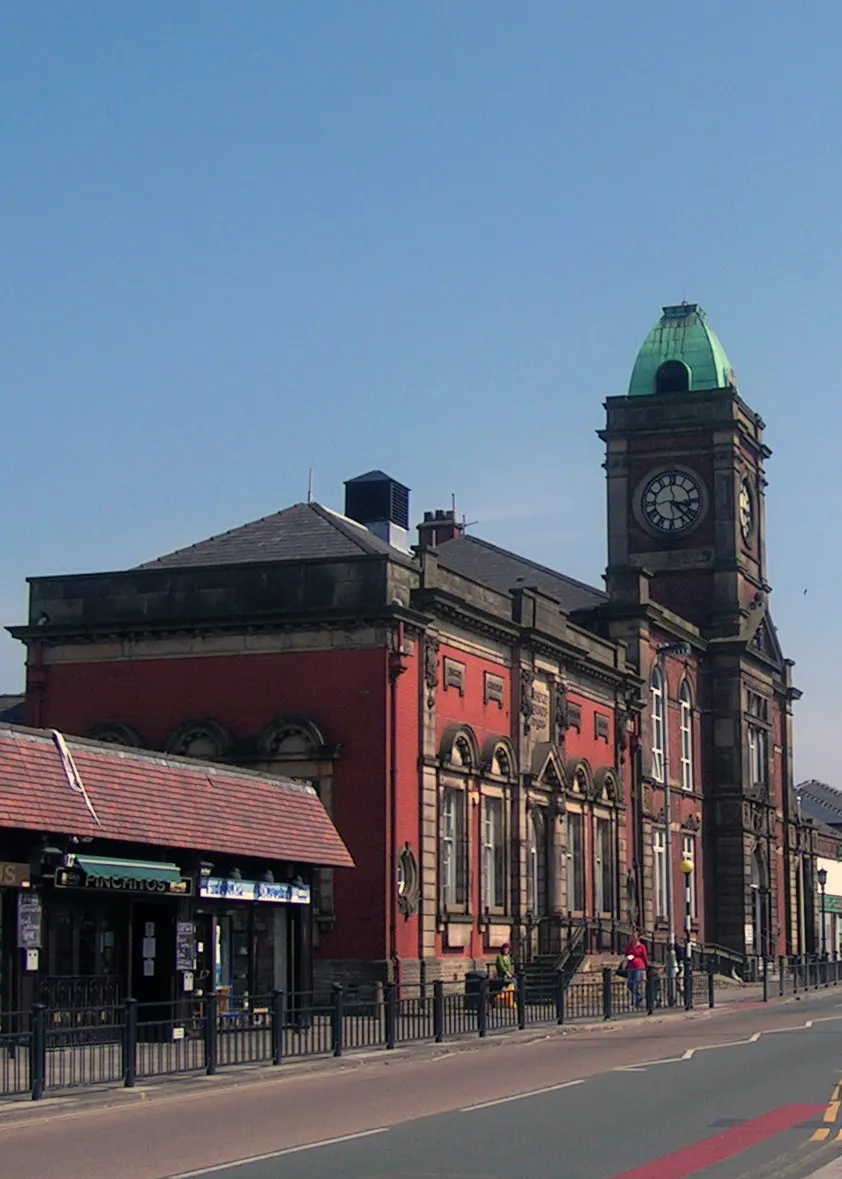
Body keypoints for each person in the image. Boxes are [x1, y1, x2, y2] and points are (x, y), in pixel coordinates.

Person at [624, 933, 649, 1009]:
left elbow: (644, 956)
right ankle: (640, 997)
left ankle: (633, 1003)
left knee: (636, 984)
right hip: (630, 966)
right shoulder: (629, 946)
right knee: (630, 984)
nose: (633, 939)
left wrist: (646, 966)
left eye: (634, 937)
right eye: (632, 937)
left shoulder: (641, 947)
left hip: (639, 966)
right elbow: (626, 954)